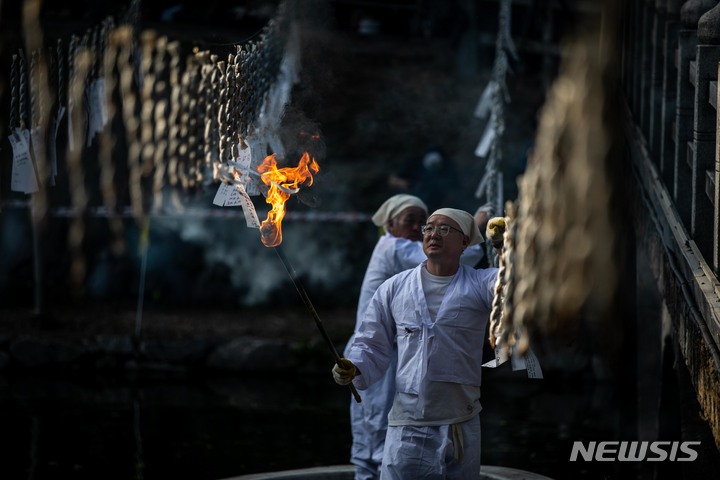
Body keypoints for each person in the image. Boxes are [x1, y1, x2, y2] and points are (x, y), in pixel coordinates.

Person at [334, 208, 499, 479]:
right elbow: (371, 342)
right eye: (429, 228)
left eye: (445, 229)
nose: (433, 234)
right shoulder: (394, 288)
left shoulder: (480, 283)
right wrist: (354, 366)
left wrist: (503, 247)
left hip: (462, 420)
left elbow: (511, 287)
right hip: (409, 425)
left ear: (465, 242)